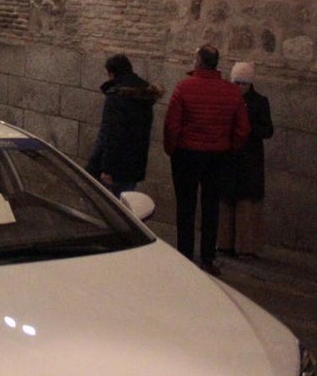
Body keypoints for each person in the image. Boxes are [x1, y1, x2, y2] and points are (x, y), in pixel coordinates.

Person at [163, 44, 250, 276]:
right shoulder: (232, 92)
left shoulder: (184, 87)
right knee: (211, 207)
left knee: (186, 206)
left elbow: (172, 125)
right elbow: (242, 129)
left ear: (199, 62)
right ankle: (208, 258)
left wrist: (172, 149)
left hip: (186, 155)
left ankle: (184, 255)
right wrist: (230, 149)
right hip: (218, 156)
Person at [85, 54, 165, 197]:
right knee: (125, 205)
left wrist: (107, 168)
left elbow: (110, 133)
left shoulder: (116, 96)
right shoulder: (145, 94)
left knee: (101, 203)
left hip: (114, 166)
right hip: (134, 164)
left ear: (112, 73)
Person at [218, 62, 274, 258]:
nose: (239, 87)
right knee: (226, 201)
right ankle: (224, 243)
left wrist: (248, 128)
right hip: (230, 156)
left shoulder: (259, 102)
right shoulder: (227, 98)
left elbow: (268, 130)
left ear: (250, 84)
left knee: (245, 205)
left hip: (249, 159)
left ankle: (245, 247)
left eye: (243, 83)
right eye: (236, 83)